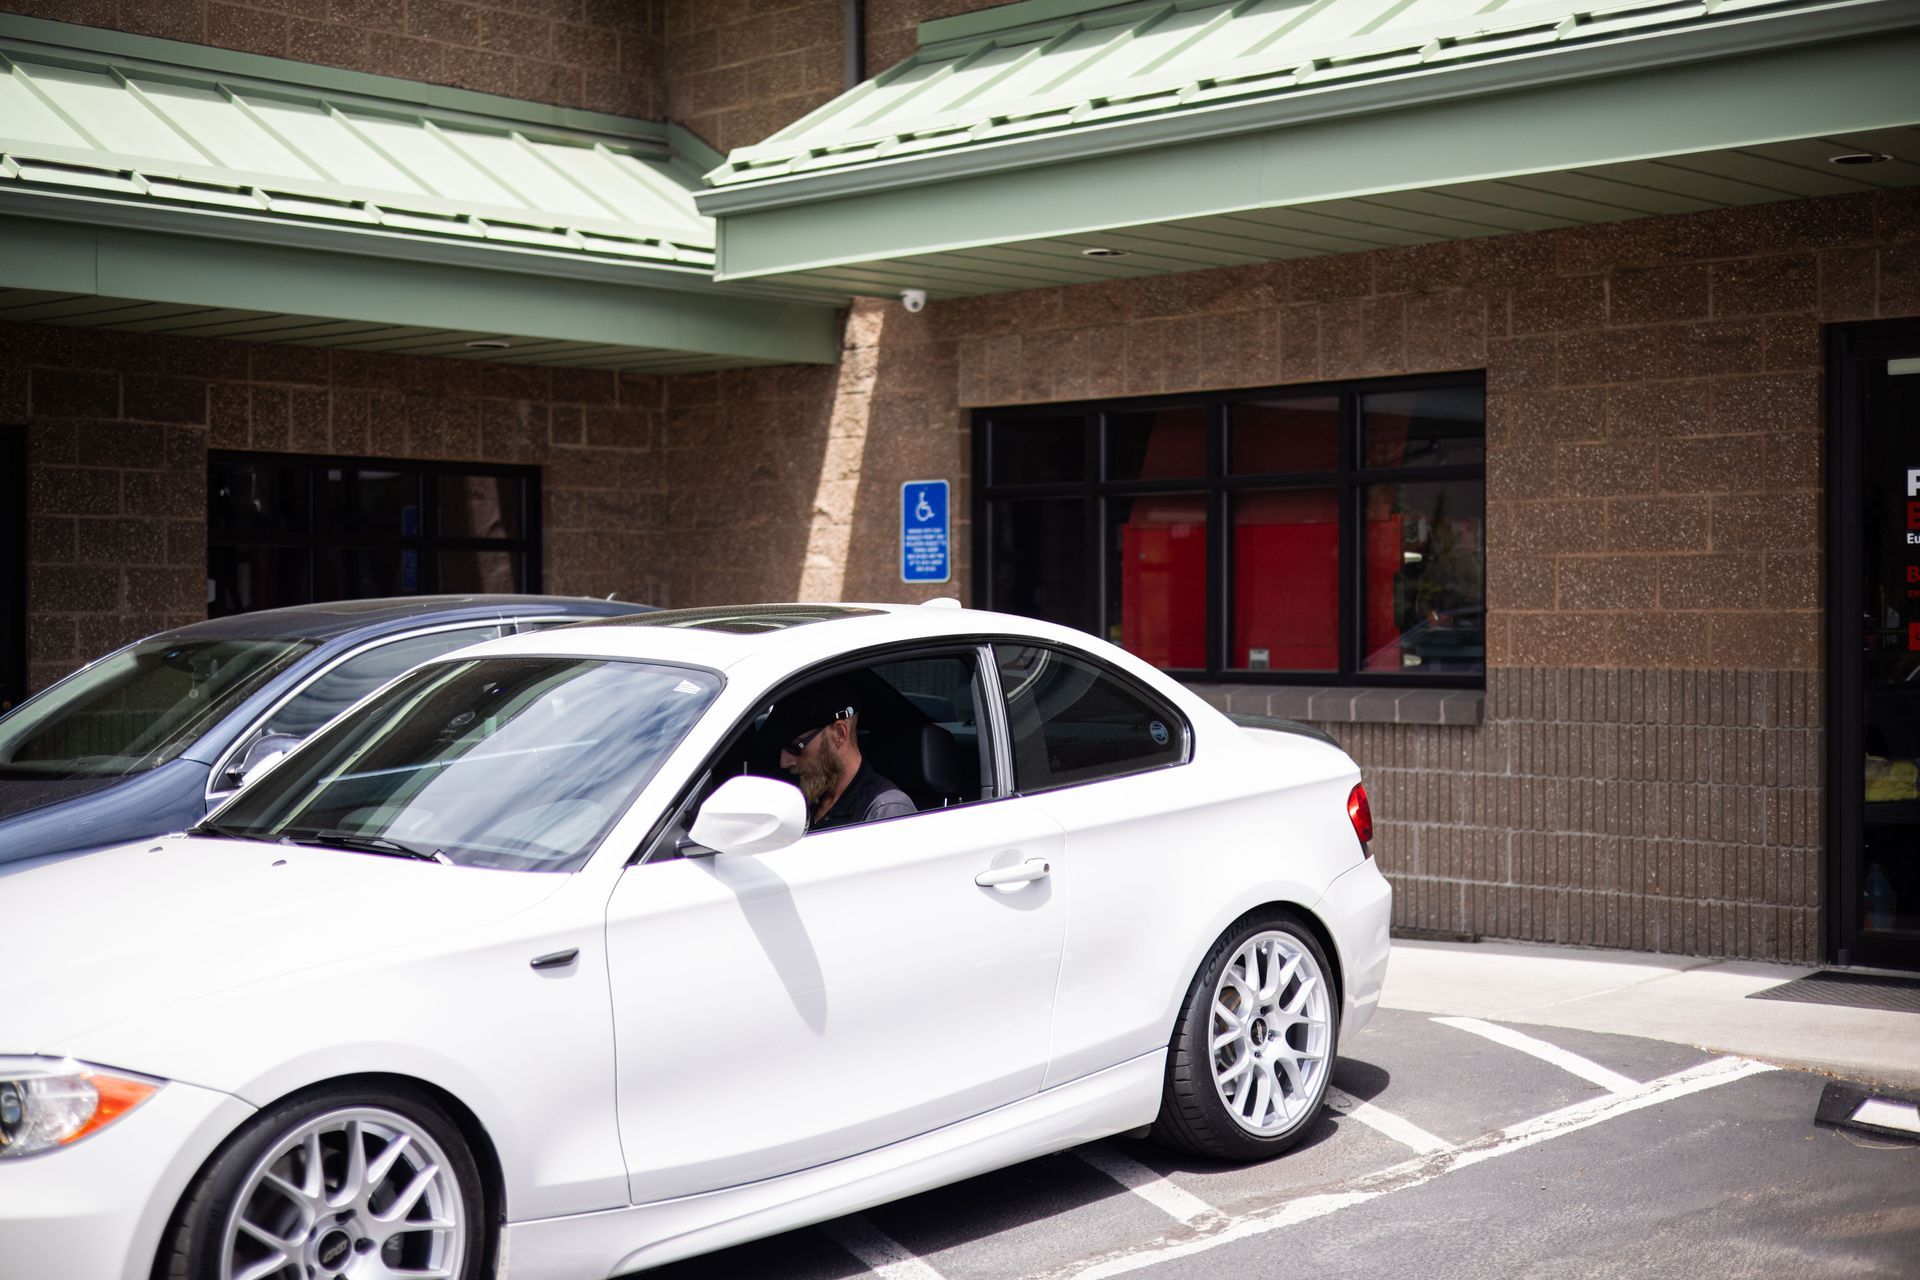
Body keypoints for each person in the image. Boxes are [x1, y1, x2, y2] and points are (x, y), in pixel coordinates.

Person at [764, 679, 915, 831]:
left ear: (839, 733)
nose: (784, 762)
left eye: (796, 747)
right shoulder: (806, 799)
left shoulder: (885, 812)